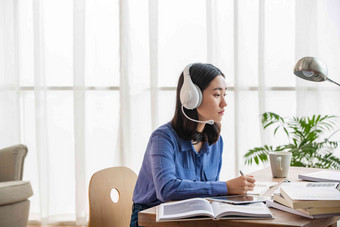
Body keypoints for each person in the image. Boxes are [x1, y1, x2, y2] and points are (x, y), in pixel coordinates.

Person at [130, 63, 255, 227]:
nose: (224, 103)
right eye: (217, 95)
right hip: (153, 218)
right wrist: (226, 187)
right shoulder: (162, 138)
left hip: (191, 217)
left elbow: (206, 191)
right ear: (191, 97)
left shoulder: (215, 140)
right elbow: (167, 189)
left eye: (225, 95)